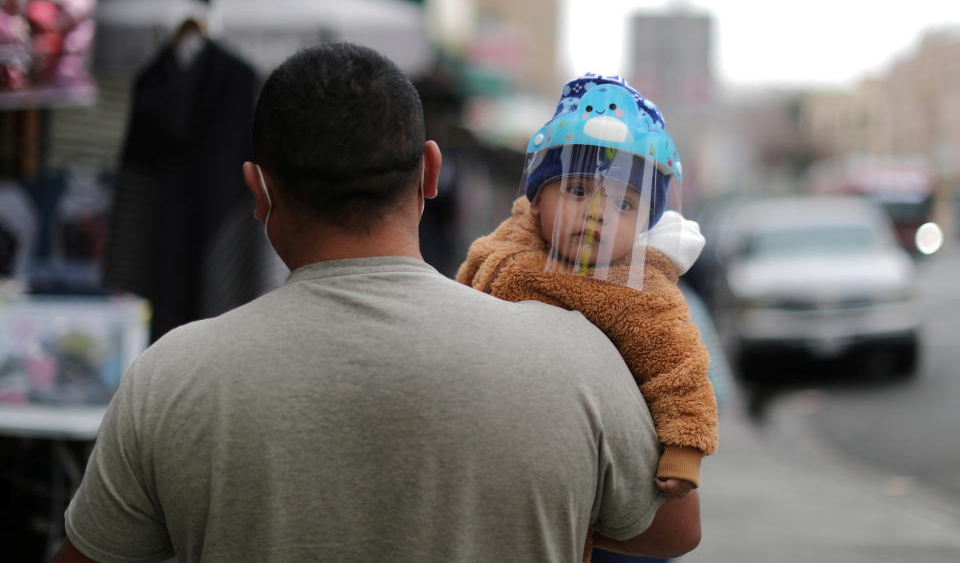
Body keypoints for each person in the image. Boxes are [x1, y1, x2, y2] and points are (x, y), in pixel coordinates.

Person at [54, 44, 700, 563]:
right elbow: (673, 533)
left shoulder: (171, 377)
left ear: (257, 189)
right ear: (430, 173)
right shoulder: (578, 356)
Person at [456, 74, 718, 558]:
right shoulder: (504, 245)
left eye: (624, 203)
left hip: (603, 484)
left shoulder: (637, 289)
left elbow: (679, 366)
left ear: (645, 223)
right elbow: (464, 290)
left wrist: (685, 448)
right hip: (500, 450)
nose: (597, 212)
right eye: (577, 190)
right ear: (538, 199)